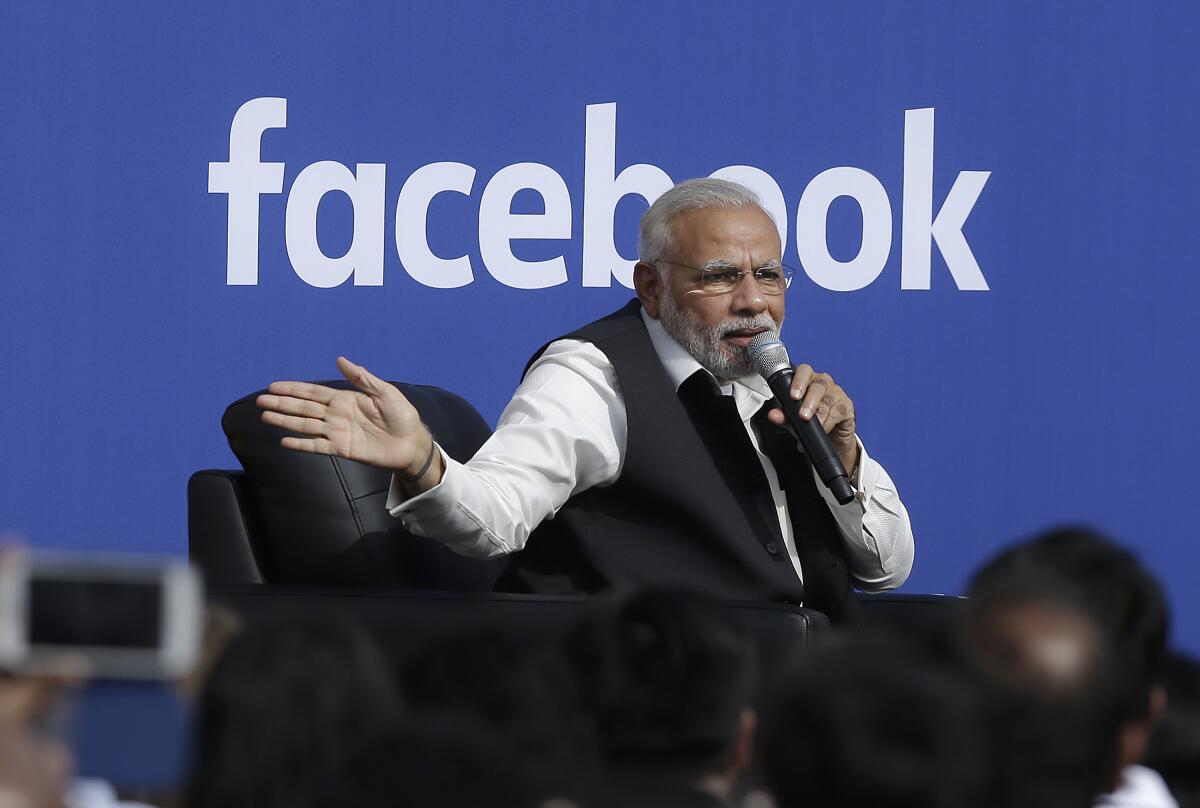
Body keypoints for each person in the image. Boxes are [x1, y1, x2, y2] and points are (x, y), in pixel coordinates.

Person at [256, 178, 914, 620]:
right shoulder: (593, 377)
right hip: (658, 716)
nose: (753, 302)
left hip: (806, 698)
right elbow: (494, 517)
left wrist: (846, 458)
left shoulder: (779, 383)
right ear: (650, 288)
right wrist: (423, 462)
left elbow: (887, 570)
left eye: (768, 275)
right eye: (720, 277)